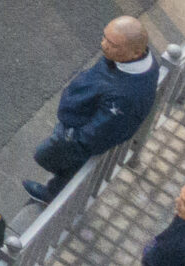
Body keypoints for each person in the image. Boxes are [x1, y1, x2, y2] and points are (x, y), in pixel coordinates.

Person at [24, 17, 159, 199]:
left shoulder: (125, 96)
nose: (104, 45)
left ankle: (53, 194)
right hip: (81, 119)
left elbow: (98, 134)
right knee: (63, 164)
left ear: (135, 53)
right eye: (105, 37)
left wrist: (70, 138)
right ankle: (54, 191)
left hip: (77, 135)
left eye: (113, 45)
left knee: (47, 156)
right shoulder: (129, 60)